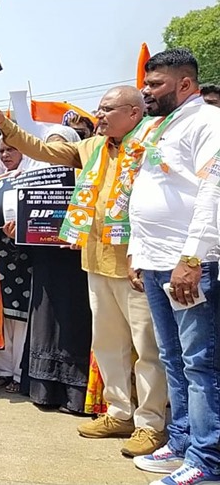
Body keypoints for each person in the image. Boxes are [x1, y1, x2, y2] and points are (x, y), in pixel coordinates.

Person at [0, 85, 168, 457]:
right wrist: (5, 126)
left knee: (146, 349)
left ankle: (150, 423)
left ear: (133, 112)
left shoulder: (150, 144)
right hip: (95, 261)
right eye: (99, 109)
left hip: (135, 264)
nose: (100, 115)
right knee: (109, 345)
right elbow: (43, 150)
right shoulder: (90, 148)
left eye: (108, 109)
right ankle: (118, 412)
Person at [129, 49, 220, 485]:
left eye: (156, 84)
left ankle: (208, 460)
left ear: (186, 84)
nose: (147, 91)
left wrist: (192, 258)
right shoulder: (161, 125)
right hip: (155, 261)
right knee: (173, 358)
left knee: (201, 363)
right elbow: (150, 190)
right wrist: (138, 254)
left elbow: (212, 194)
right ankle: (183, 441)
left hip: (189, 263)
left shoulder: (208, 122)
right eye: (147, 84)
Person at [4, 125, 94, 413]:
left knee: (75, 325)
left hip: (77, 265)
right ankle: (44, 392)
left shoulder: (88, 181)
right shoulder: (34, 185)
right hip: (45, 264)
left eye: (61, 148)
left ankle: (76, 396)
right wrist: (15, 232)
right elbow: (27, 232)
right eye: (49, 148)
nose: (55, 155)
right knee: (44, 325)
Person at [0, 138, 33, 393]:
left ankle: (18, 373)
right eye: (1, 150)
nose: (5, 155)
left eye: (11, 149)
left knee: (21, 316)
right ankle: (2, 370)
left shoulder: (31, 178)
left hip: (24, 255)